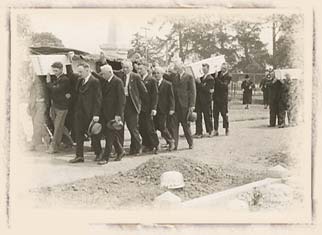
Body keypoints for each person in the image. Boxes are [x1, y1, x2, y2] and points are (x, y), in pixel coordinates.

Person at [66, 52, 102, 163]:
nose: (79, 74)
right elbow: (71, 75)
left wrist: (96, 114)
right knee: (78, 134)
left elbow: (98, 99)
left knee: (94, 134)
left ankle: (99, 153)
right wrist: (69, 60)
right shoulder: (79, 80)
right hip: (79, 113)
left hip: (90, 113)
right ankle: (79, 156)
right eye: (78, 72)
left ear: (88, 70)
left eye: (81, 72)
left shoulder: (95, 82)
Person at [91, 64, 126, 165]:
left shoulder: (117, 82)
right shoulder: (106, 81)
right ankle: (120, 151)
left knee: (109, 137)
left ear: (110, 72)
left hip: (114, 114)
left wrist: (118, 114)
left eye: (104, 74)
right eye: (101, 74)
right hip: (105, 113)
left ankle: (105, 158)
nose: (102, 75)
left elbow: (121, 100)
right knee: (110, 135)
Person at [119, 60, 148, 156]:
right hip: (123, 104)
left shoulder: (135, 77)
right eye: (124, 67)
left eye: (127, 67)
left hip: (132, 105)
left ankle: (138, 147)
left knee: (133, 128)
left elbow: (143, 91)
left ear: (131, 68)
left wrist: (140, 104)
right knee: (120, 127)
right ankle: (120, 149)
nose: (125, 69)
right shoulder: (121, 76)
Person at [45, 61, 72, 153]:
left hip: (61, 107)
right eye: (53, 70)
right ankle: (69, 141)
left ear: (61, 69)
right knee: (59, 125)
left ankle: (54, 147)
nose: (54, 72)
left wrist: (49, 83)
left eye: (56, 70)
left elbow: (55, 90)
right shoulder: (57, 78)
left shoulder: (64, 79)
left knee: (57, 127)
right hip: (55, 106)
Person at [171, 61, 196, 150]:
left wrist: (192, 105)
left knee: (185, 125)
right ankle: (175, 145)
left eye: (177, 67)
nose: (176, 69)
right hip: (175, 105)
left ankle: (190, 142)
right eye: (175, 68)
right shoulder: (174, 77)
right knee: (174, 126)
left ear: (182, 67)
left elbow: (193, 92)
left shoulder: (189, 77)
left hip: (185, 105)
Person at [137, 63, 159, 154]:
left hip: (148, 107)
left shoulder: (151, 80)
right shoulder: (139, 79)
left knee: (150, 128)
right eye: (138, 69)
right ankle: (147, 144)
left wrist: (154, 108)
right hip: (140, 107)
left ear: (146, 68)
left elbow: (155, 95)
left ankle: (156, 144)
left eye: (141, 68)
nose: (139, 70)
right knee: (142, 127)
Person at [153, 66, 175, 151]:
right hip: (155, 109)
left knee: (162, 126)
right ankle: (156, 144)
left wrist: (172, 108)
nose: (156, 75)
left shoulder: (168, 84)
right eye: (155, 73)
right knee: (154, 127)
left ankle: (171, 141)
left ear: (162, 74)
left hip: (164, 109)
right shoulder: (153, 83)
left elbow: (171, 97)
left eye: (158, 73)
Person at [28, 73, 51, 150]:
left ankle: (35, 142)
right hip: (34, 105)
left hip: (41, 104)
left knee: (37, 123)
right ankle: (46, 140)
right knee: (39, 124)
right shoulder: (34, 83)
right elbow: (31, 95)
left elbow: (46, 95)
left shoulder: (42, 83)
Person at [194, 63, 215, 138]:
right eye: (203, 68)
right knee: (198, 117)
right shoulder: (202, 77)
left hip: (206, 101)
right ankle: (199, 132)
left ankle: (210, 130)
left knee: (207, 116)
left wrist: (199, 83)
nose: (203, 70)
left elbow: (207, 89)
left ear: (208, 69)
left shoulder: (210, 79)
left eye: (205, 68)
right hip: (199, 100)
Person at [213, 63, 231, 136]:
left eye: (224, 68)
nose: (222, 69)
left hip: (223, 99)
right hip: (216, 98)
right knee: (215, 115)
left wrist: (216, 78)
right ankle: (216, 130)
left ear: (226, 68)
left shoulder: (228, 76)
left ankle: (226, 128)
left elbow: (223, 85)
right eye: (222, 68)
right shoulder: (219, 74)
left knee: (224, 114)